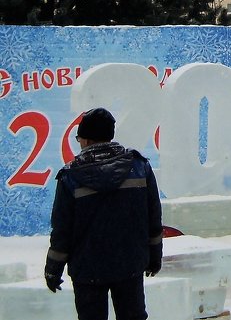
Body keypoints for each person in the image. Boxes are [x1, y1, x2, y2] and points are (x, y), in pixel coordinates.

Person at [45, 107, 163, 320]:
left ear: (87, 141)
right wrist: (154, 256)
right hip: (130, 264)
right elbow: (153, 218)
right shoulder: (139, 167)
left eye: (79, 138)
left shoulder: (70, 177)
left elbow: (62, 230)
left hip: (87, 270)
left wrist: (53, 269)